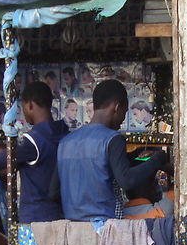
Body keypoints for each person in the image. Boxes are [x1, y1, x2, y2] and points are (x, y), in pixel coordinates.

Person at [52, 79, 170, 221]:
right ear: (117, 107)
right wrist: (158, 159)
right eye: (124, 112)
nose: (122, 120)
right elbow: (126, 180)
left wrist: (138, 155)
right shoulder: (112, 139)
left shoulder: (66, 142)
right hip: (104, 231)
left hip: (73, 230)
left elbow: (53, 192)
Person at [0, 81, 68, 223]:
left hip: (35, 217)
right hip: (60, 215)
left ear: (29, 105)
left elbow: (2, 158)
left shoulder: (33, 141)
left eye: (23, 108)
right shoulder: (64, 135)